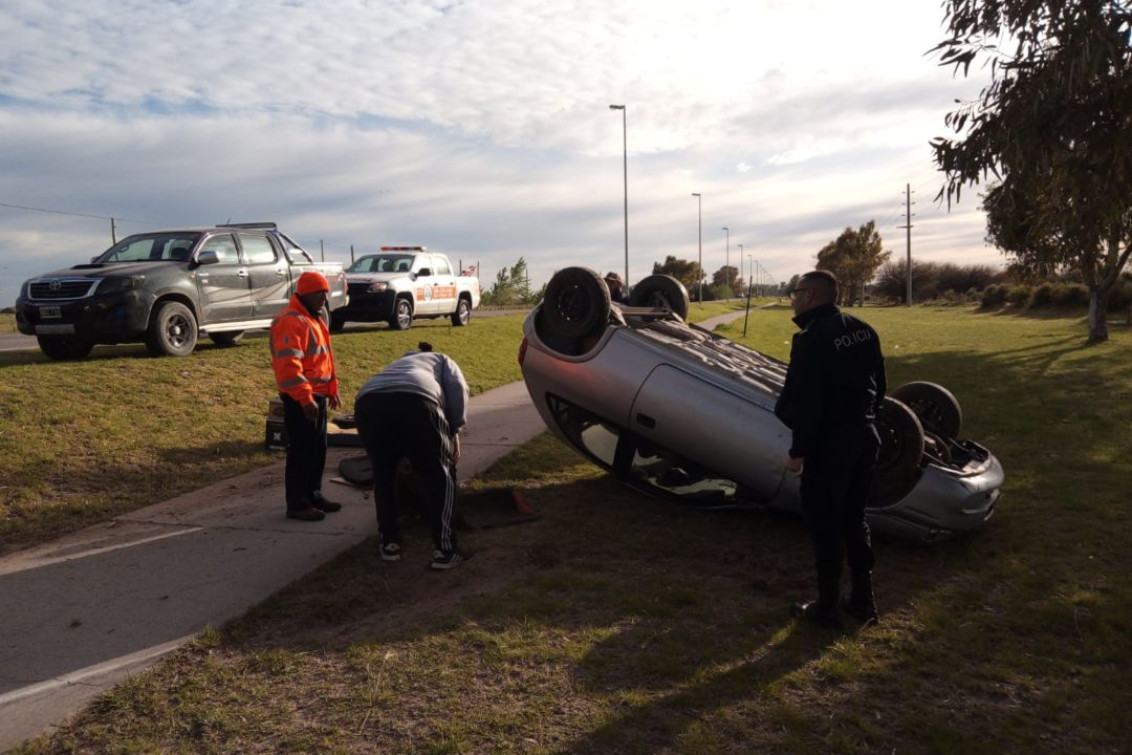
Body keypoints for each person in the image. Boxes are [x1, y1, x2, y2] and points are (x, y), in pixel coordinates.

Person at [773, 270, 887, 628]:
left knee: (825, 525)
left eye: (795, 293)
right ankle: (863, 601)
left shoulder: (812, 339)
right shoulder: (862, 328)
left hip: (830, 446)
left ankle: (826, 607)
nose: (792, 298)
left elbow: (808, 404)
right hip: (864, 438)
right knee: (855, 519)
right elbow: (880, 385)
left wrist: (797, 452)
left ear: (809, 295)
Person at [354, 342, 470, 570]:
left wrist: (406, 453)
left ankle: (389, 542)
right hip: (417, 400)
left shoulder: (398, 364)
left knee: (384, 475)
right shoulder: (442, 359)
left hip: (368, 403)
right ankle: (445, 550)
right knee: (440, 474)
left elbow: (393, 408)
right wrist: (455, 429)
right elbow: (458, 387)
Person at [270, 271, 343, 521]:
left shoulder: (314, 319)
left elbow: (324, 359)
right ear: (307, 293)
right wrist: (305, 399)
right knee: (302, 450)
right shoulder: (291, 321)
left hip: (317, 396)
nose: (325, 297)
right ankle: (298, 504)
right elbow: (289, 368)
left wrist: (332, 390)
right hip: (302, 399)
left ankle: (313, 494)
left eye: (325, 292)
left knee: (317, 449)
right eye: (320, 292)